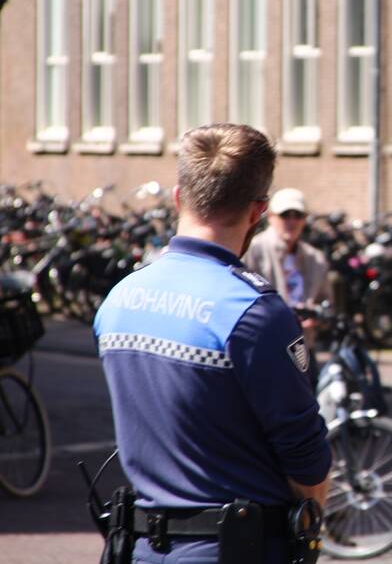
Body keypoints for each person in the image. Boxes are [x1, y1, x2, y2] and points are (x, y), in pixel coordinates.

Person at [93, 123, 331, 563]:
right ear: (258, 211)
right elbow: (307, 461)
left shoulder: (120, 299)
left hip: (141, 546)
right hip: (233, 548)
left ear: (179, 196)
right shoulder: (255, 312)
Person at [243, 187, 331, 384]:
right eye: (285, 215)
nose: (291, 221)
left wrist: (315, 317)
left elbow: (326, 301)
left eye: (297, 215)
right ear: (271, 216)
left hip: (303, 347)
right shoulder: (254, 250)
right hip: (266, 348)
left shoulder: (315, 259)